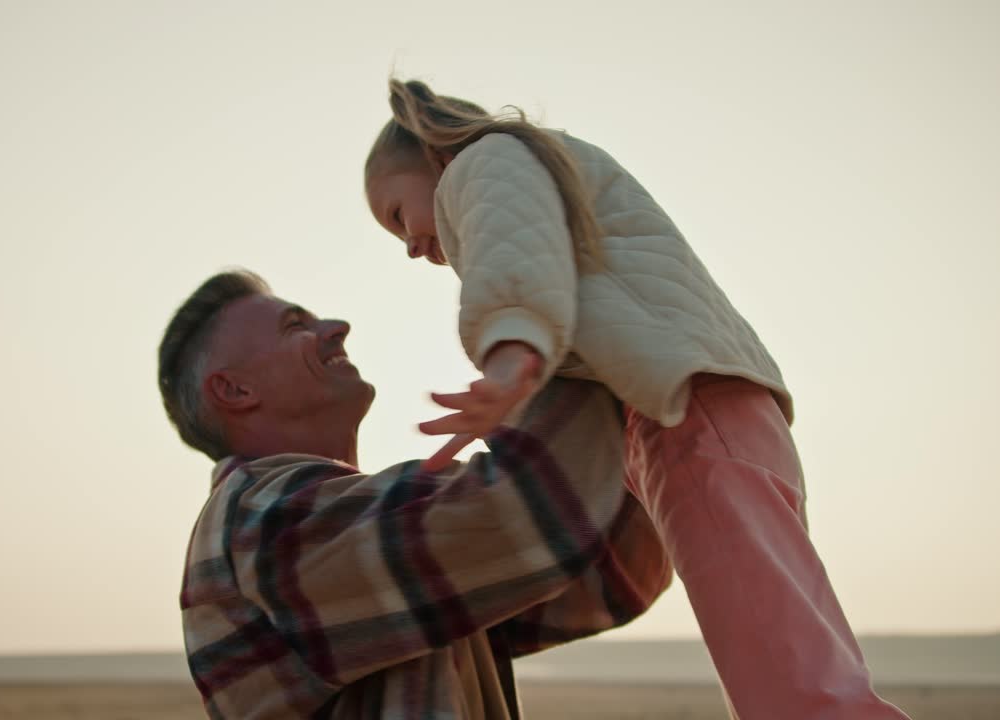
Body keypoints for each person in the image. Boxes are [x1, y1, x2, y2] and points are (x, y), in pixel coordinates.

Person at [363, 78, 909, 719]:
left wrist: (508, 362)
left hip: (688, 416)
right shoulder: (544, 166)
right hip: (720, 408)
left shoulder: (482, 164)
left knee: (794, 690)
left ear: (432, 158)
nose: (407, 245)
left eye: (397, 214)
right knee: (794, 657)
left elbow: (518, 262)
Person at [157, 269, 670, 719]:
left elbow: (616, 575)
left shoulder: (360, 533)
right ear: (235, 391)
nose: (336, 328)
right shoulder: (259, 518)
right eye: (296, 326)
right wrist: (543, 334)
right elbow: (532, 515)